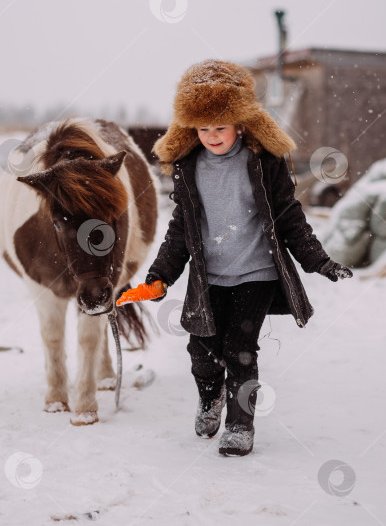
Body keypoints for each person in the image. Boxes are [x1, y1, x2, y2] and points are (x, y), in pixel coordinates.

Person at [144, 59, 353, 457]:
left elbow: (289, 217)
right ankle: (210, 399)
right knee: (202, 351)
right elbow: (180, 230)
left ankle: (241, 426)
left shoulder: (262, 162)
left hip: (256, 273)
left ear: (240, 123)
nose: (212, 136)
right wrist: (160, 277)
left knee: (241, 349)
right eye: (203, 129)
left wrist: (319, 261)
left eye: (220, 126)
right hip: (210, 276)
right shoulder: (188, 167)